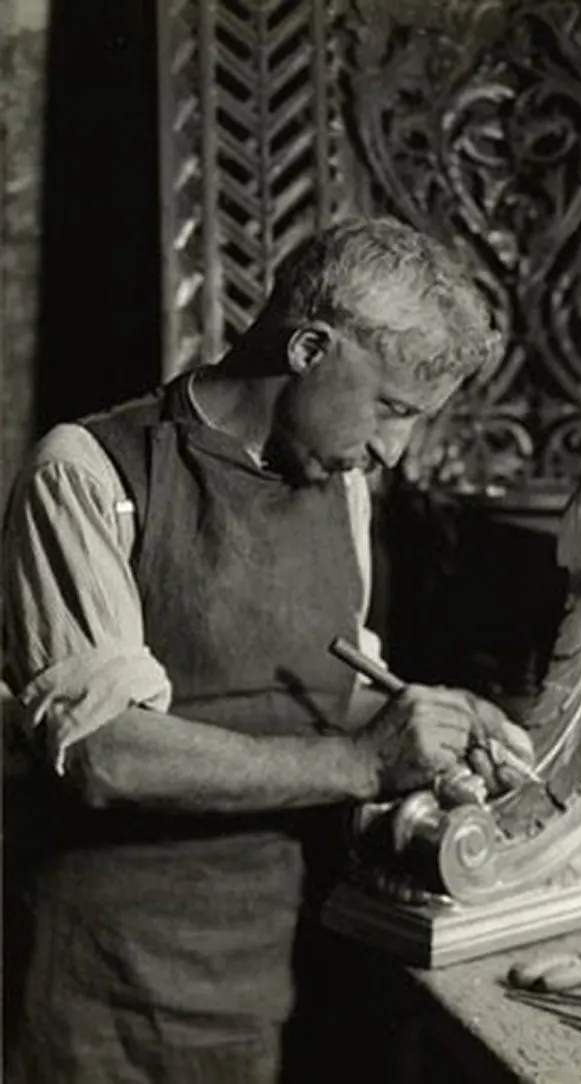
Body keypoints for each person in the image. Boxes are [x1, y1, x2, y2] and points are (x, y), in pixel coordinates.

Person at [2, 217, 534, 1083]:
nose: (393, 452)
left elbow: (317, 696)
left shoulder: (341, 489)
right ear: (310, 347)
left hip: (267, 980)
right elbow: (105, 753)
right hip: (97, 995)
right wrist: (366, 762)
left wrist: (429, 720)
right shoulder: (89, 474)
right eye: (392, 409)